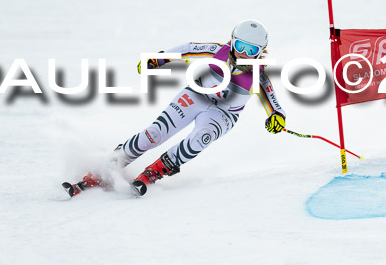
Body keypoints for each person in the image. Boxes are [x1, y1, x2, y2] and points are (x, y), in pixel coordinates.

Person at [63, 19, 287, 197]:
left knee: (201, 138)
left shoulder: (258, 75)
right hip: (197, 95)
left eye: (252, 50)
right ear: (232, 41)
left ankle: (155, 172)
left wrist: (277, 116)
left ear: (261, 52)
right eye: (240, 46)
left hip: (223, 114)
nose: (244, 54)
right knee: (154, 134)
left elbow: (272, 100)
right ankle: (105, 168)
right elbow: (188, 49)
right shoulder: (217, 51)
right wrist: (159, 59)